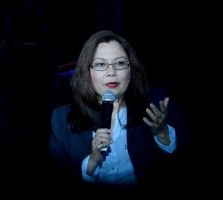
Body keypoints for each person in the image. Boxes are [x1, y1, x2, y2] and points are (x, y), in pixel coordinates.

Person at [48, 30, 190, 193]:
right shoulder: (61, 118)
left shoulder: (157, 104)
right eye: (101, 64)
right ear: (87, 73)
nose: (111, 72)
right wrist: (91, 164)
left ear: (131, 70)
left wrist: (163, 134)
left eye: (120, 63)